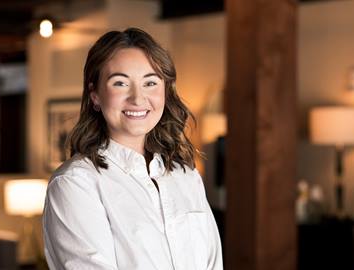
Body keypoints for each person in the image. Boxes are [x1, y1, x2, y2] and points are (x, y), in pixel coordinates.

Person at [42, 28, 223, 270]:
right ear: (95, 94)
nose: (138, 98)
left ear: (165, 91)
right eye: (120, 83)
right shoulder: (75, 184)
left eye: (150, 82)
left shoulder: (186, 177)